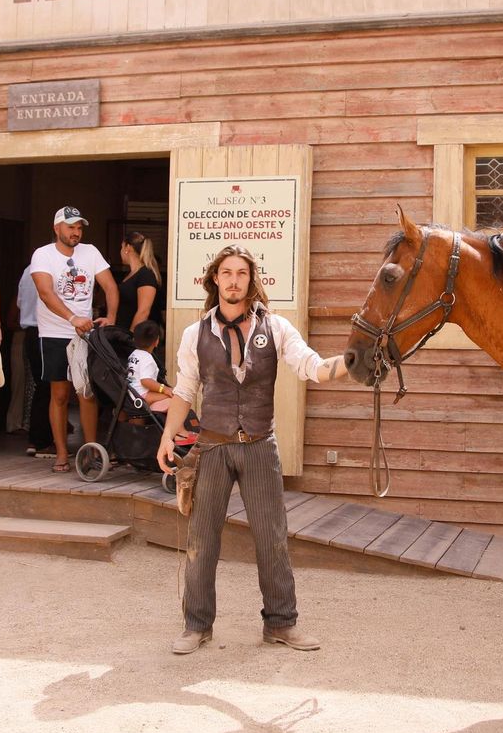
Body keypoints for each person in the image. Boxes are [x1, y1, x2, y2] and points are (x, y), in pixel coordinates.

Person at [155, 245, 350, 655]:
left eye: (241, 273)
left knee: (272, 538)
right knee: (202, 540)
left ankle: (281, 623)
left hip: (260, 446)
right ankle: (196, 625)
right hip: (213, 447)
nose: (233, 280)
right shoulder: (196, 334)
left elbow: (312, 367)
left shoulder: (276, 328)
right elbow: (185, 389)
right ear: (214, 279)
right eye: (226, 272)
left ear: (251, 279)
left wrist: (355, 361)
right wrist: (167, 435)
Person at [28, 207, 118, 473]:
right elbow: (45, 293)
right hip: (55, 332)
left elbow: (110, 286)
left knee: (86, 393)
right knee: (60, 394)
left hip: (85, 335)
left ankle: (91, 451)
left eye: (79, 227)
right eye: (70, 227)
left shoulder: (90, 252)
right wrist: (72, 318)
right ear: (57, 228)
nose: (76, 232)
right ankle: (61, 453)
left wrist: (111, 316)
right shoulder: (42, 255)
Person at [14, 269, 55, 457]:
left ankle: (36, 438)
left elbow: (19, 302)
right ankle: (41, 441)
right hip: (48, 332)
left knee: (41, 385)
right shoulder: (54, 269)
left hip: (30, 333)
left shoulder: (26, 271)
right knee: (50, 386)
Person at [119, 232, 164, 331]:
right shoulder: (130, 274)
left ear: (128, 248)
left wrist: (130, 338)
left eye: (122, 247)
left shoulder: (146, 275)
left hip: (136, 337)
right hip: (121, 332)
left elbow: (143, 311)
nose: (120, 251)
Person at [127, 321, 173, 412]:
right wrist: (164, 389)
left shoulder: (133, 354)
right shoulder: (147, 358)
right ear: (156, 341)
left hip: (130, 394)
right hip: (142, 395)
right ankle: (156, 413)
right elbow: (146, 381)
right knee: (175, 397)